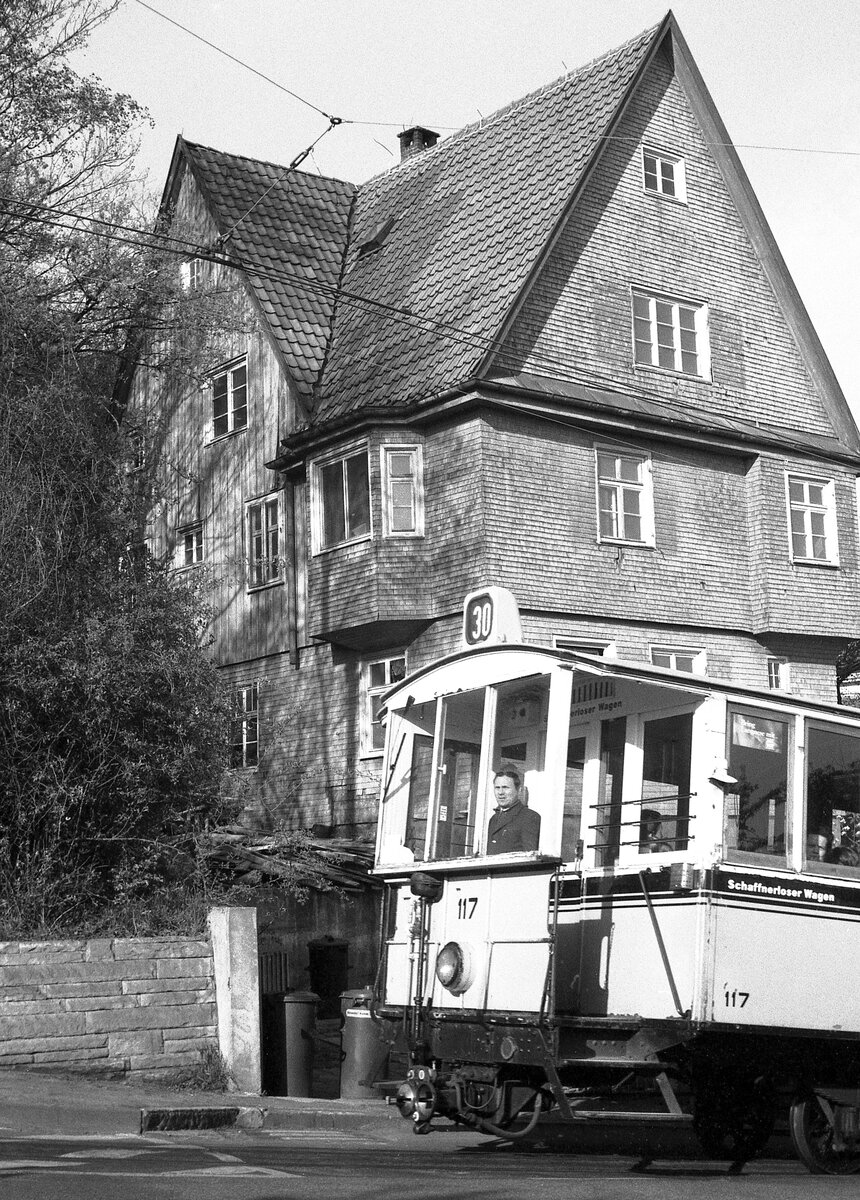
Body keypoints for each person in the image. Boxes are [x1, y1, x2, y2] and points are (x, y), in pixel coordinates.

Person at [486, 767, 541, 854]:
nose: (500, 792)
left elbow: (530, 856)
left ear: (518, 790)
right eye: (497, 787)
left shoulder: (529, 817)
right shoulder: (494, 819)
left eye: (505, 787)